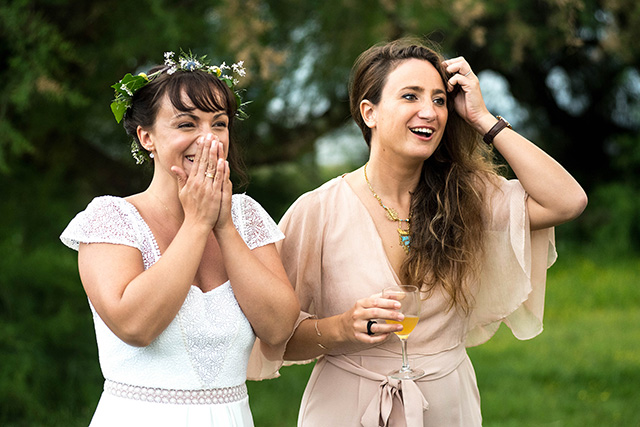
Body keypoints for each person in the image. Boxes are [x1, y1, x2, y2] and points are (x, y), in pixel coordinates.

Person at [276, 38, 588, 426]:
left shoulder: (469, 197)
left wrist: (484, 119)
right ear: (369, 112)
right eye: (410, 96)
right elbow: (276, 336)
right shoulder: (317, 210)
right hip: (346, 406)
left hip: (447, 404)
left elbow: (567, 201)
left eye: (440, 100)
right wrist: (341, 328)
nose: (430, 112)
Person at [60, 50, 299, 426]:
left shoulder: (246, 216)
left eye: (218, 124)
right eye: (187, 124)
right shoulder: (110, 218)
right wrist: (197, 223)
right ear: (146, 137)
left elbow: (279, 327)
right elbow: (135, 326)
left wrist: (224, 227)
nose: (208, 140)